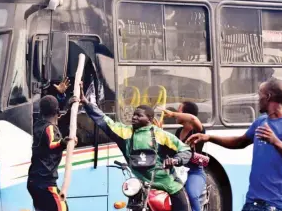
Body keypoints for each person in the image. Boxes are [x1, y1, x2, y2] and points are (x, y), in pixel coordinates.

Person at [73, 83, 193, 211]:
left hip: (167, 184)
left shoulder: (161, 135)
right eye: (134, 114)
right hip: (139, 187)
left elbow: (185, 150)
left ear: (150, 119)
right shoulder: (124, 132)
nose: (134, 117)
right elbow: (104, 120)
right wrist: (86, 103)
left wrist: (176, 160)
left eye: (139, 115)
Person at [188, 78, 282, 211]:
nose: (258, 99)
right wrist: (208, 137)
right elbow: (239, 142)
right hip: (252, 202)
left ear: (268, 96)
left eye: (260, 94)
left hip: (275, 205)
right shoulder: (261, 122)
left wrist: (275, 141)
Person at [27, 95, 74, 211]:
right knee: (62, 208)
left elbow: (59, 124)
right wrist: (64, 142)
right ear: (57, 112)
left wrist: (70, 110)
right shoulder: (49, 128)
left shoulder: (38, 125)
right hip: (45, 183)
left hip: (34, 182)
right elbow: (53, 144)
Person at [163, 101, 206, 211]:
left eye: (179, 111)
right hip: (178, 172)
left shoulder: (197, 130)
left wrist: (172, 114)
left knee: (191, 194)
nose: (176, 113)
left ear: (186, 114)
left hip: (194, 172)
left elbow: (193, 119)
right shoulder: (178, 131)